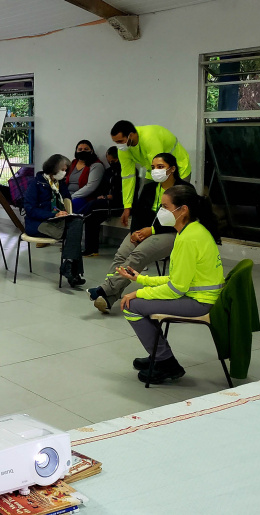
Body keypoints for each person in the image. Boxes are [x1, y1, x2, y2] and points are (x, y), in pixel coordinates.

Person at [117, 185, 224, 384]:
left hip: (199, 302)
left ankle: (165, 362)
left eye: (165, 207)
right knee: (138, 302)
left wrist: (139, 293)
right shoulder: (193, 231)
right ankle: (159, 355)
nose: (161, 212)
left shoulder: (188, 239)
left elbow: (176, 289)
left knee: (130, 306)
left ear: (183, 210)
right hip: (198, 296)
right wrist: (141, 279)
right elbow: (177, 279)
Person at [87, 153, 192, 313]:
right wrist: (134, 232)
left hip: (171, 234)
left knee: (138, 255)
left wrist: (153, 230)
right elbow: (138, 213)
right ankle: (109, 297)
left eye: (160, 167)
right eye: (153, 167)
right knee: (122, 254)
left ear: (172, 169)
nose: (155, 171)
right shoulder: (149, 188)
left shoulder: (184, 190)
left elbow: (183, 219)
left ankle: (105, 289)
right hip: (143, 231)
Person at [110, 120, 192, 227]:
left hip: (178, 167)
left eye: (120, 141)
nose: (119, 145)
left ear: (131, 135)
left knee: (173, 202)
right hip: (153, 170)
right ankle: (148, 231)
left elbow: (161, 166)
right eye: (116, 142)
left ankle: (171, 233)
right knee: (144, 201)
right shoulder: (123, 150)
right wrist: (127, 207)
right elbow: (127, 177)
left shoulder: (149, 138)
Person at [23, 154, 85, 287]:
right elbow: (29, 209)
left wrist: (64, 213)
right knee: (74, 232)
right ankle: (73, 272)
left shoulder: (60, 184)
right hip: (38, 223)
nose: (65, 172)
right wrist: (52, 214)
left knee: (77, 223)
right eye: (62, 169)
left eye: (66, 170)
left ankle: (68, 266)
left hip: (56, 221)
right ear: (53, 169)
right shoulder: (36, 183)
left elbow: (66, 199)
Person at [80, 146, 124, 256]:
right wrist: (103, 196)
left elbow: (128, 191)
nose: (112, 162)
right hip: (105, 203)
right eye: (110, 160)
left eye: (114, 161)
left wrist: (112, 196)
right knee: (91, 219)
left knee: (92, 205)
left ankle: (77, 217)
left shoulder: (127, 172)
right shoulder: (108, 172)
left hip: (119, 205)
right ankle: (92, 250)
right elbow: (102, 187)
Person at [65, 140, 105, 213]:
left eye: (86, 149)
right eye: (80, 149)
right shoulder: (73, 163)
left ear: (92, 151)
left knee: (69, 207)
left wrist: (72, 197)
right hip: (67, 195)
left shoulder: (96, 165)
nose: (82, 151)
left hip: (83, 197)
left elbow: (91, 187)